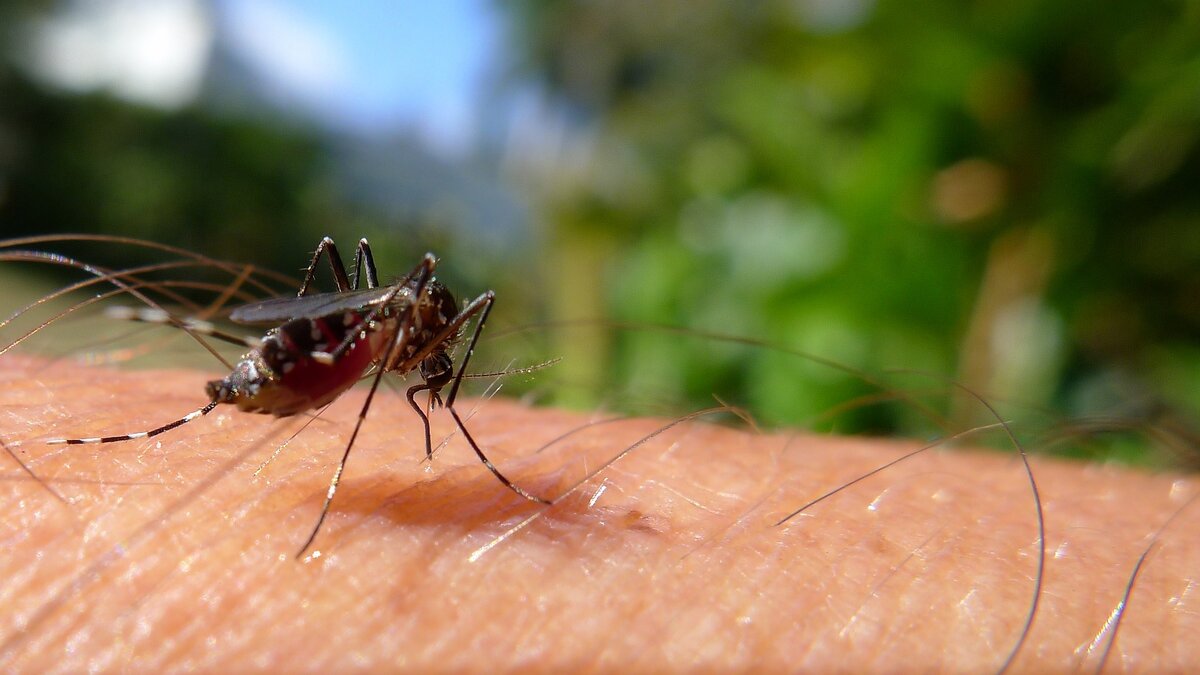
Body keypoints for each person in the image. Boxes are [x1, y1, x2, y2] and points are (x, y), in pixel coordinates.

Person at [0, 356, 1195, 671]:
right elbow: (398, 365)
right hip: (311, 373)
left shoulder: (409, 337)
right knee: (370, 370)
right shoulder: (389, 340)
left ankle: (180, 413)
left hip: (324, 368)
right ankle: (173, 420)